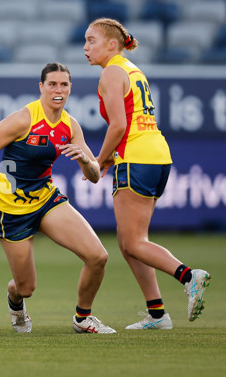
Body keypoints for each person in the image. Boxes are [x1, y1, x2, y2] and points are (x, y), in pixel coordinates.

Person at [0, 62, 115, 334]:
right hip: (11, 211)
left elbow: (95, 174)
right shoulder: (23, 119)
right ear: (41, 87)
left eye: (64, 84)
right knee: (26, 287)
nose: (58, 90)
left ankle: (83, 319)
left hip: (46, 200)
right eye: (52, 84)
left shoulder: (70, 125)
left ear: (70, 88)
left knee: (98, 256)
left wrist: (85, 160)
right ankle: (15, 300)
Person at [83, 18, 210, 330]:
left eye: (91, 41)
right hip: (155, 154)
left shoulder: (111, 72)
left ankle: (189, 276)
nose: (85, 47)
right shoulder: (131, 69)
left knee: (134, 242)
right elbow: (133, 120)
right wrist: (112, 157)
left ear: (112, 44)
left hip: (137, 158)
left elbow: (118, 126)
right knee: (130, 243)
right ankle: (157, 314)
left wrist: (99, 161)